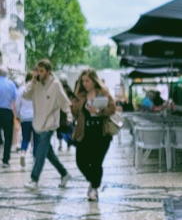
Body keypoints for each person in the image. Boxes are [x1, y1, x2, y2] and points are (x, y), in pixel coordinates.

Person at [23, 59, 73, 191]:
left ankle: (34, 179)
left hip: (50, 123)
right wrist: (32, 82)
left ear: (48, 72)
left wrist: (69, 116)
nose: (39, 73)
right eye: (37, 70)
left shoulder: (55, 84)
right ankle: (64, 173)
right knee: (48, 152)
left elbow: (64, 101)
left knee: (40, 152)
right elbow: (25, 95)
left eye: (41, 71)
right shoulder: (35, 84)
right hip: (38, 123)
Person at [71, 68, 117, 201]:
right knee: (81, 161)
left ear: (94, 81)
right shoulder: (80, 95)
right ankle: (93, 181)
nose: (85, 84)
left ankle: (94, 189)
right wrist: (73, 105)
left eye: (87, 81)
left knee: (96, 163)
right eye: (83, 81)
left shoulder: (103, 93)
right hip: (85, 132)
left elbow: (112, 109)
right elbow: (75, 113)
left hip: (101, 132)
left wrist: (98, 111)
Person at [15, 72, 35, 167]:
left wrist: (18, 115)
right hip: (35, 117)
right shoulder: (36, 89)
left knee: (25, 138)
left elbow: (17, 104)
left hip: (24, 117)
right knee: (36, 139)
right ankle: (35, 157)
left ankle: (23, 152)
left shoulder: (21, 90)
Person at [57, 77, 76, 151]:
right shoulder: (68, 90)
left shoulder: (60, 90)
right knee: (68, 128)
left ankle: (61, 144)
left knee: (61, 129)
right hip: (66, 112)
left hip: (61, 113)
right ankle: (68, 144)